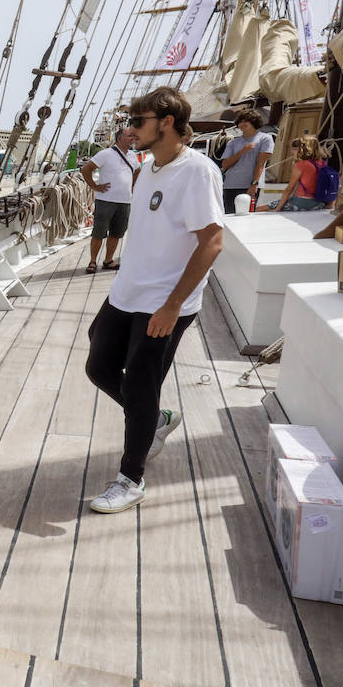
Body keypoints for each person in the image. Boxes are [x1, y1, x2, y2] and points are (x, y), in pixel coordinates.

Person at [85, 87, 223, 514]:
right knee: (99, 366)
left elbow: (212, 242)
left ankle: (131, 479)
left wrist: (171, 306)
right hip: (126, 293)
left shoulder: (197, 172)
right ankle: (156, 421)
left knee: (142, 385)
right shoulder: (146, 169)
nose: (130, 129)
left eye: (138, 120)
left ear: (166, 122)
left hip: (164, 302)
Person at [79, 126, 139, 273]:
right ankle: (93, 262)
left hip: (124, 201)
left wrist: (132, 186)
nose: (133, 138)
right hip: (105, 200)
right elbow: (86, 169)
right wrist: (94, 186)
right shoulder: (105, 154)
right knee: (99, 232)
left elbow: (137, 171)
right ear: (119, 138)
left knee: (117, 233)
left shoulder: (132, 156)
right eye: (129, 136)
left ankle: (108, 260)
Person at [218, 108, 273, 214]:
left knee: (246, 217)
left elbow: (260, 164)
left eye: (245, 121)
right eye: (240, 122)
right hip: (230, 185)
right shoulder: (233, 143)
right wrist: (242, 151)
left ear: (254, 122)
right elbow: (225, 164)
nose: (242, 124)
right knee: (229, 217)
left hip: (249, 186)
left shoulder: (265, 139)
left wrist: (254, 184)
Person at [266, 134, 333, 212]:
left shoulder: (302, 165)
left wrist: (278, 208)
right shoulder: (322, 163)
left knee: (261, 208)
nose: (292, 151)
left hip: (303, 202)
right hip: (319, 203)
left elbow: (289, 189)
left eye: (294, 149)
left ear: (303, 149)